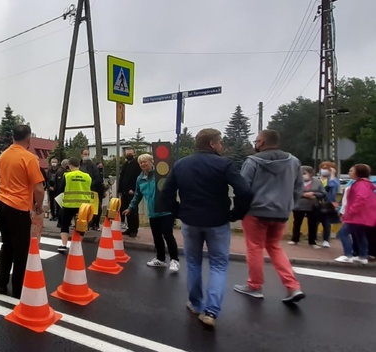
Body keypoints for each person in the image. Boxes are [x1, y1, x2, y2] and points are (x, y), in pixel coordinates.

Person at [160, 128, 252, 328]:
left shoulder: (181, 164)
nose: (222, 146)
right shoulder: (224, 164)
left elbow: (166, 193)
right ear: (212, 144)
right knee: (218, 265)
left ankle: (195, 303)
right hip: (218, 222)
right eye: (220, 142)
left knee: (193, 263)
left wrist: (178, 211)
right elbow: (244, 191)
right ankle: (211, 311)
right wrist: (235, 214)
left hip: (190, 222)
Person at [232, 130, 305, 303]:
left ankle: (255, 286)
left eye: (256, 141)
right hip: (281, 212)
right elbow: (298, 188)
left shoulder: (252, 162)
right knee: (275, 247)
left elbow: (243, 187)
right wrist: (288, 206)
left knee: (255, 247)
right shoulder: (294, 161)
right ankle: (293, 287)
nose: (255, 144)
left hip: (256, 212)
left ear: (262, 142)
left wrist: (239, 210)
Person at [0, 126, 46, 298]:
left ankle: (1, 284)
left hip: (0, 202)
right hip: (18, 207)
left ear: (12, 137)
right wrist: (38, 205)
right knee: (21, 250)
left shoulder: (3, 155)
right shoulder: (29, 158)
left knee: (6, 245)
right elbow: (39, 188)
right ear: (29, 139)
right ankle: (18, 290)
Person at [123, 153, 179, 272]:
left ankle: (174, 260)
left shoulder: (161, 174)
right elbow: (137, 195)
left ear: (152, 162)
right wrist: (130, 207)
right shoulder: (140, 178)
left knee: (167, 235)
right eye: (141, 162)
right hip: (153, 212)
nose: (143, 164)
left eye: (145, 161)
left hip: (166, 211)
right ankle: (160, 259)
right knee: (157, 236)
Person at [335, 164, 376, 264]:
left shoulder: (360, 184)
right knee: (360, 234)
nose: (349, 172)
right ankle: (363, 256)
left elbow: (360, 199)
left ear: (358, 173)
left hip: (357, 216)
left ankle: (348, 255)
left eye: (351, 170)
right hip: (364, 215)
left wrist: (351, 211)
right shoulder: (364, 184)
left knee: (343, 233)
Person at [57, 157, 92, 253]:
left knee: (65, 225)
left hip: (68, 204)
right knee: (81, 226)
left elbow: (60, 189)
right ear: (79, 165)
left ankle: (63, 245)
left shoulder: (67, 175)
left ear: (69, 165)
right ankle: (77, 246)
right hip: (83, 206)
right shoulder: (87, 176)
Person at [289, 166, 325, 248]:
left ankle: (312, 242)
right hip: (298, 205)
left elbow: (323, 193)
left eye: (304, 173)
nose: (302, 175)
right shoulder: (296, 182)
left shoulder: (317, 182)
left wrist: (314, 194)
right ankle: (295, 239)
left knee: (312, 224)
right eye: (301, 174)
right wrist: (304, 195)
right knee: (297, 223)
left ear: (311, 174)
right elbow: (292, 192)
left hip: (312, 206)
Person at [117, 148, 141, 238]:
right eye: (127, 154)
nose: (128, 155)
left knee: (133, 211)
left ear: (134, 154)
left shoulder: (137, 164)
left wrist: (134, 189)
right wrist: (120, 189)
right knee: (125, 209)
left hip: (132, 192)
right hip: (124, 192)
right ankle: (129, 228)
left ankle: (134, 230)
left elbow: (138, 178)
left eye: (130, 153)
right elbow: (122, 177)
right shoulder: (126, 164)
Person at [318, 161, 340, 248]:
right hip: (316, 204)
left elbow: (332, 186)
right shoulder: (317, 179)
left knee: (326, 223)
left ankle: (326, 240)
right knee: (314, 222)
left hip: (328, 205)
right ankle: (312, 239)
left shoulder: (334, 180)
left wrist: (332, 175)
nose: (323, 170)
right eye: (322, 168)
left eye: (326, 168)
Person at [80, 148, 103, 231]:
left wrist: (90, 185)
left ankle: (95, 223)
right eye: (85, 154)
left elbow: (97, 178)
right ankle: (84, 222)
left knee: (95, 208)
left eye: (88, 154)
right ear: (81, 155)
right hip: (82, 190)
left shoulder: (92, 165)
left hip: (92, 190)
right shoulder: (79, 165)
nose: (86, 156)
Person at [54, 159, 69, 228]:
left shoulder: (63, 171)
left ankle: (61, 222)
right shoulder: (61, 172)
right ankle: (60, 222)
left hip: (60, 192)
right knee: (61, 209)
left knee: (61, 208)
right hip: (60, 193)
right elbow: (59, 184)